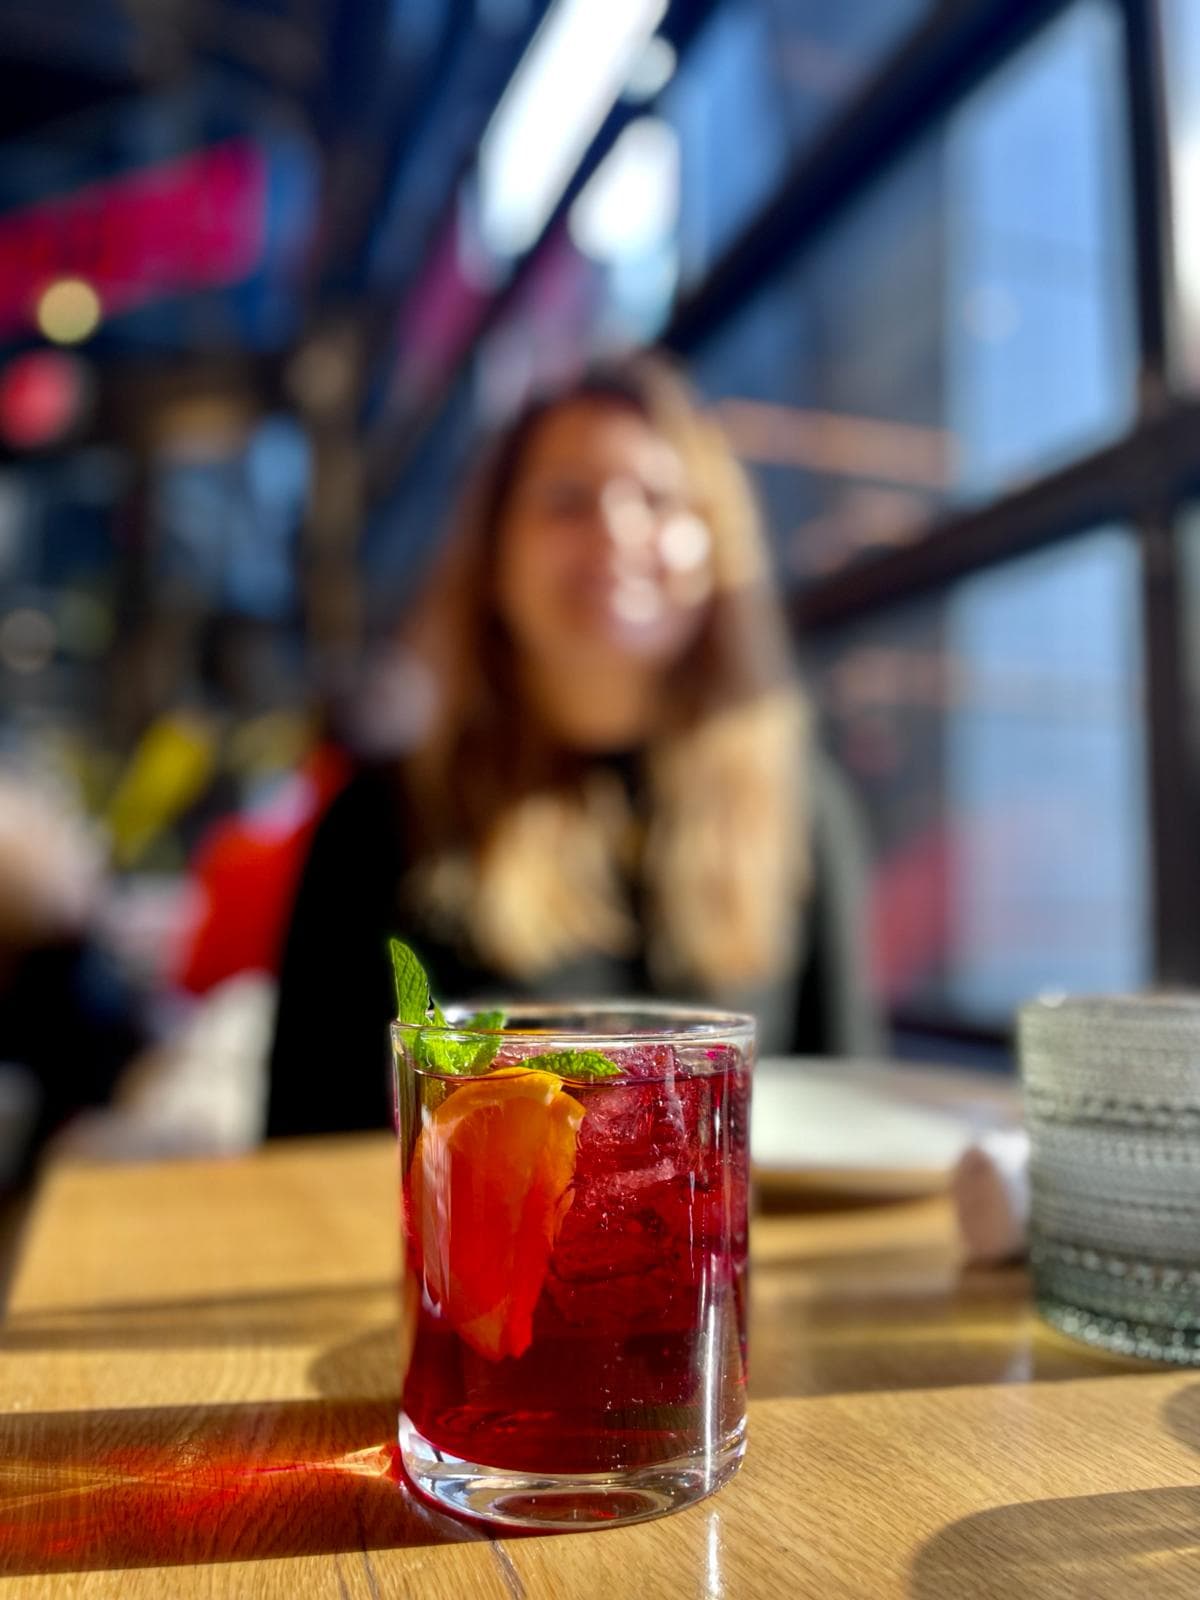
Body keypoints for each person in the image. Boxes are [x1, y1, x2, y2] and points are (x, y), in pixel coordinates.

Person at [267, 354, 879, 1138]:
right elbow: (298, 1149)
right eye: (565, 500)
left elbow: (847, 1124)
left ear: (717, 548)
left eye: (660, 500)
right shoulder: (377, 829)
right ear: (493, 558)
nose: (617, 533)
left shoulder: (802, 810)